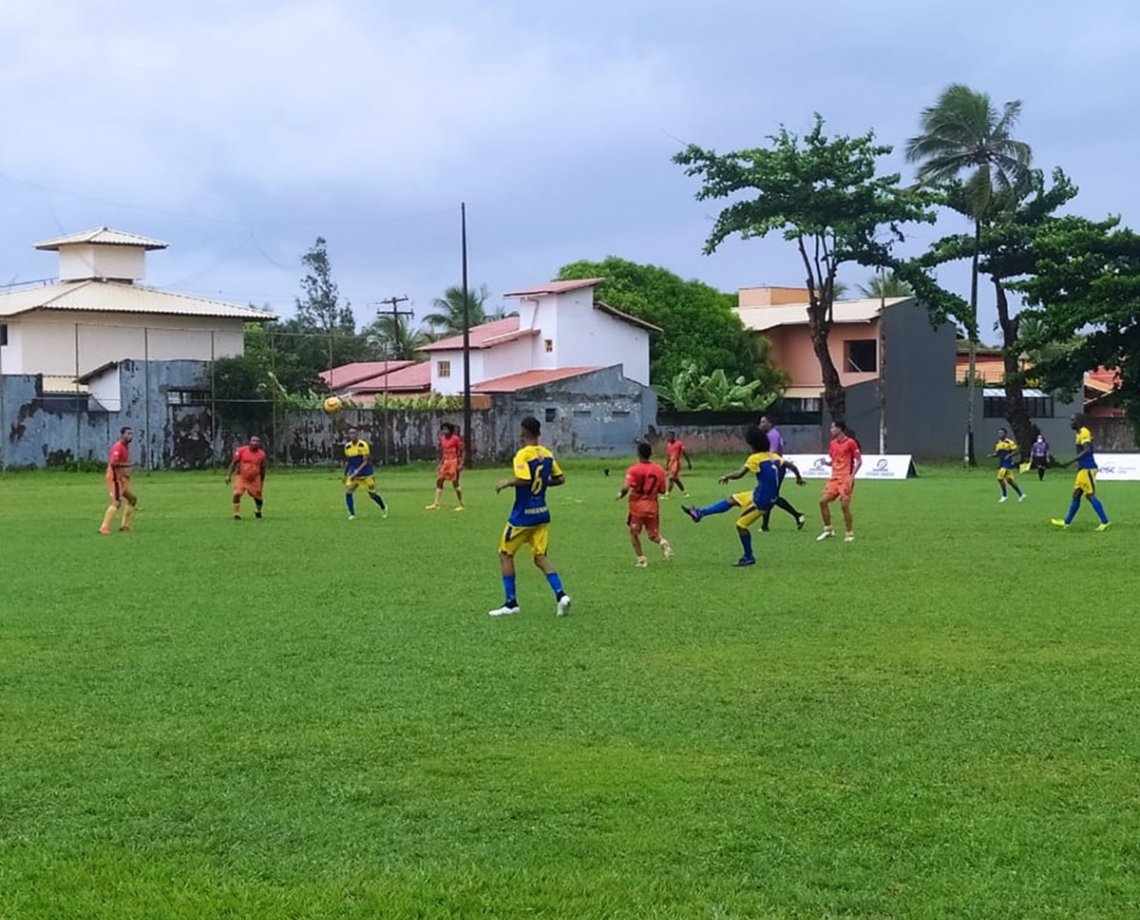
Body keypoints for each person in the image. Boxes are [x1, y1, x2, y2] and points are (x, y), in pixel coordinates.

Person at [682, 426, 805, 566]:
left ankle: (749, 556)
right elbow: (792, 466)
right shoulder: (775, 456)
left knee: (741, 525)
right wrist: (798, 478)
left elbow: (740, 474)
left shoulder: (755, 458)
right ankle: (700, 513)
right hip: (761, 494)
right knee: (731, 500)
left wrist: (727, 476)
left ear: (752, 444)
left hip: (762, 501)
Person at [489, 416, 572, 617]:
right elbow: (560, 479)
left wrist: (506, 483)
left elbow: (524, 479)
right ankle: (561, 595)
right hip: (542, 513)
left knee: (505, 554)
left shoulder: (522, 455)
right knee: (540, 556)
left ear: (523, 432)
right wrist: (543, 484)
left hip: (522, 516)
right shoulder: (547, 454)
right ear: (539, 433)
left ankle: (511, 603)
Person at [617, 441, 673, 567]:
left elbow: (626, 487)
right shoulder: (658, 469)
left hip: (637, 507)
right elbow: (663, 490)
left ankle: (641, 558)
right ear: (650, 454)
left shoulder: (634, 469)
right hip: (652, 507)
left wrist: (621, 494)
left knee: (634, 533)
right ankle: (663, 542)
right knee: (653, 535)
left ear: (638, 453)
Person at [1051, 416, 1110, 531]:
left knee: (1090, 495)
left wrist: (1070, 461)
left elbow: (1087, 450)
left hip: (1088, 468)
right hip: (1083, 469)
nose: (1070, 422)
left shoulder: (1084, 432)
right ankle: (1066, 522)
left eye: (1073, 420)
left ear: (1079, 422)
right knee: (1076, 495)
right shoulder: (1078, 434)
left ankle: (1105, 521)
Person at [758, 414, 806, 530]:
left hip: (776, 468)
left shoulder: (773, 435)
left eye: (763, 422)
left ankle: (797, 515)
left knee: (771, 496)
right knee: (770, 495)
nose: (761, 424)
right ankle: (765, 526)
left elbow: (773, 452)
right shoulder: (771, 434)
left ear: (770, 423)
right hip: (773, 468)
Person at [817, 420, 862, 543]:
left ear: (839, 429)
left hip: (846, 478)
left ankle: (849, 533)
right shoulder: (832, 444)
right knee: (823, 501)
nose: (831, 430)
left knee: (844, 506)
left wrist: (852, 476)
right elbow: (835, 461)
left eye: (833, 427)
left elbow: (859, 461)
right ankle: (828, 529)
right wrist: (826, 463)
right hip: (834, 478)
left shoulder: (851, 443)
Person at [343, 426, 388, 520]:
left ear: (357, 435)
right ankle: (352, 514)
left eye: (354, 433)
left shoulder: (363, 445)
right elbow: (349, 461)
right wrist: (346, 474)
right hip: (353, 475)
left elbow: (365, 461)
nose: (352, 435)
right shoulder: (347, 446)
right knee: (348, 492)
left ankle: (383, 507)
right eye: (350, 434)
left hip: (366, 474)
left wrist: (357, 471)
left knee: (372, 494)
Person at [99, 426, 137, 535]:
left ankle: (125, 525)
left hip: (120, 478)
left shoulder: (125, 447)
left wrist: (125, 474)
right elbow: (113, 464)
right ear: (122, 435)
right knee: (117, 502)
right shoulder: (118, 447)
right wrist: (129, 465)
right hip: (114, 479)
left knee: (132, 499)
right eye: (128, 434)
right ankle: (104, 527)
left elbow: (119, 465)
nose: (130, 436)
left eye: (131, 434)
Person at [227, 435, 268, 519]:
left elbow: (263, 468)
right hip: (242, 477)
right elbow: (234, 463)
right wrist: (229, 476)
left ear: (259, 443)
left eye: (257, 441)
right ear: (250, 442)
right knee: (237, 494)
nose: (255, 443)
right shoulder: (241, 451)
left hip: (254, 479)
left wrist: (262, 480)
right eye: (253, 441)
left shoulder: (262, 454)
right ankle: (236, 514)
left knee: (258, 498)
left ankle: (258, 511)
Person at [426, 422, 465, 511]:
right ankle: (436, 504)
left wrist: (461, 463)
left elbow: (462, 451)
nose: (444, 431)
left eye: (446, 429)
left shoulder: (456, 439)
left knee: (455, 482)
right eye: (443, 429)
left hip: (453, 461)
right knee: (439, 481)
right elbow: (443, 452)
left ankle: (460, 504)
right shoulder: (442, 439)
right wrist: (440, 463)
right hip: (446, 462)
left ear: (450, 430)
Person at [991, 427, 1026, 503]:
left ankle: (1004, 496)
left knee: (1000, 478)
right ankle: (1021, 494)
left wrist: (1010, 455)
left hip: (1007, 464)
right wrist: (992, 455)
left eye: (1001, 433)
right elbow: (998, 454)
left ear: (1005, 434)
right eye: (999, 433)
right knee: (1010, 481)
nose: (1000, 435)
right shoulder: (998, 443)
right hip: (1002, 463)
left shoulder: (1009, 442)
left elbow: (1017, 451)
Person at [664, 431, 692, 497]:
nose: (668, 437)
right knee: (676, 479)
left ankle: (667, 494)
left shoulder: (679, 444)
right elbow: (669, 455)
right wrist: (667, 464)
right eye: (667, 436)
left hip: (677, 463)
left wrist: (689, 463)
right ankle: (685, 493)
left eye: (670, 436)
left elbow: (684, 453)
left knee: (671, 478)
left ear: (673, 436)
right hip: (671, 463)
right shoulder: (668, 444)